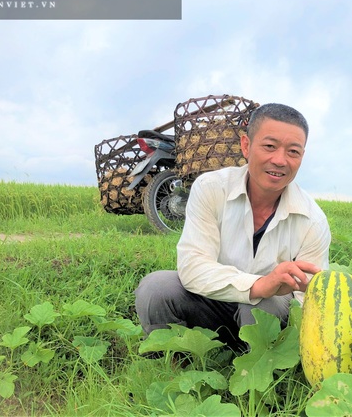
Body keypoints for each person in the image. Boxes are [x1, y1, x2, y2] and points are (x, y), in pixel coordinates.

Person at [134, 103, 331, 348]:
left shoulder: (312, 220)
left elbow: (309, 301)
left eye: (293, 152)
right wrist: (258, 284)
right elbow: (193, 266)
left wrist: (271, 292)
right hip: (210, 306)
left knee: (264, 304)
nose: (280, 160)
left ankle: (258, 364)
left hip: (267, 322)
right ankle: (171, 361)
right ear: (246, 145)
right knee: (157, 288)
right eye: (269, 146)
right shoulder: (211, 188)